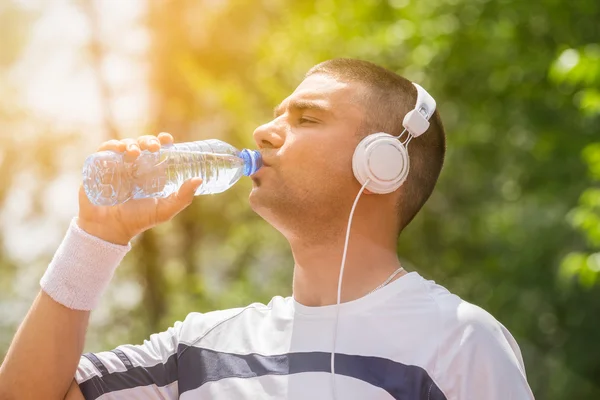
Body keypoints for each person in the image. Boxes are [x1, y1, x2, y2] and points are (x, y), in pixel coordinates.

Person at [0, 58, 534, 400]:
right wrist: (96, 239)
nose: (263, 131)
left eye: (306, 118)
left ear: (381, 164)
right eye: (278, 115)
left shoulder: (459, 341)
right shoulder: (198, 350)